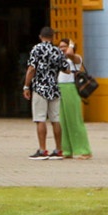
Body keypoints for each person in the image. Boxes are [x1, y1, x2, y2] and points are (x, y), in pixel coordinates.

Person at [23, 26, 71, 160]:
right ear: (53, 37)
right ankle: (58, 149)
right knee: (55, 119)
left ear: (40, 36)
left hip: (40, 88)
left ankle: (43, 149)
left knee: (40, 119)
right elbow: (66, 69)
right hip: (54, 88)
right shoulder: (57, 50)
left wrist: (26, 86)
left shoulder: (37, 49)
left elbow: (32, 68)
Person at [57, 37, 93, 160]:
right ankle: (66, 150)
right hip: (60, 89)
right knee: (63, 121)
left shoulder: (76, 58)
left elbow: (69, 54)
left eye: (64, 46)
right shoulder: (60, 60)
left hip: (71, 89)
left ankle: (84, 150)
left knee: (75, 121)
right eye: (60, 46)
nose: (62, 49)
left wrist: (71, 45)